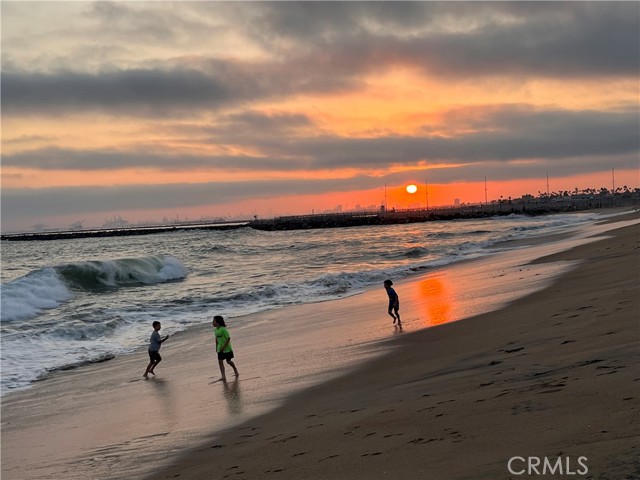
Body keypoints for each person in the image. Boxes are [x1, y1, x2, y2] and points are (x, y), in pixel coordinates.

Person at [212, 315, 239, 381]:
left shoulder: (223, 329)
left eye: (214, 321)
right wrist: (216, 347)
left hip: (227, 349)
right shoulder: (215, 330)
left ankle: (235, 369)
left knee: (228, 361)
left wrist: (224, 347)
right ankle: (223, 376)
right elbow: (216, 339)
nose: (212, 323)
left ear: (218, 322)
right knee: (220, 361)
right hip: (219, 349)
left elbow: (228, 338)